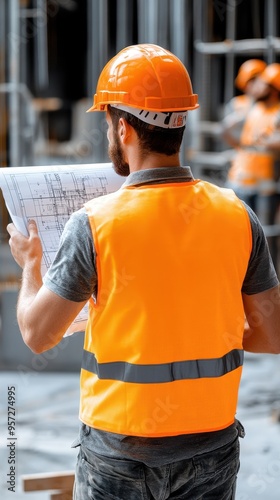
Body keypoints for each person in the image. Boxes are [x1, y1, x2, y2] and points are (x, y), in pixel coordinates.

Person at [7, 44, 280, 500]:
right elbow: (271, 335)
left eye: (107, 122)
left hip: (119, 454)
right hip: (211, 449)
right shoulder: (237, 215)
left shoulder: (95, 223)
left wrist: (32, 266)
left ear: (122, 125)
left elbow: (36, 335)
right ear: (181, 121)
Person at [226, 63, 280, 267]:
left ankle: (265, 283)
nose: (254, 88)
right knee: (240, 234)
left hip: (265, 185)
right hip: (241, 178)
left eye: (260, 83)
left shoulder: (275, 112)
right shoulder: (248, 106)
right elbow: (226, 128)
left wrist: (265, 143)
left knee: (264, 237)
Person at [222, 59, 267, 148]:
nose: (257, 85)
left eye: (259, 80)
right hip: (243, 155)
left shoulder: (272, 105)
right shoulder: (236, 104)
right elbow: (225, 131)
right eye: (252, 81)